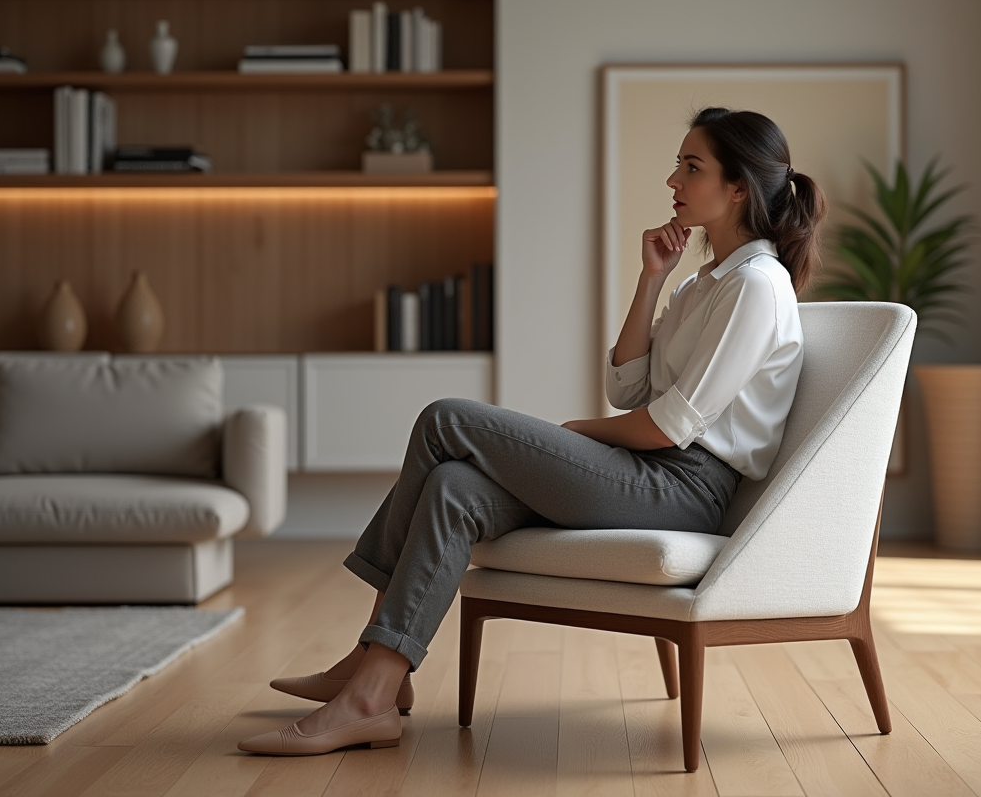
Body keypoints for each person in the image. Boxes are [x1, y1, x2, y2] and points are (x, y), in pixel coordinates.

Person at [238, 106, 827, 755]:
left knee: (445, 420)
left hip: (684, 489)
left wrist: (579, 431)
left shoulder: (758, 287)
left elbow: (669, 424)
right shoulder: (701, 284)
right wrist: (650, 278)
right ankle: (376, 688)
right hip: (651, 472)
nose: (673, 180)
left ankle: (366, 656)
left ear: (738, 187)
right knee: (456, 487)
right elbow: (627, 386)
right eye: (677, 164)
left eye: (692, 167)